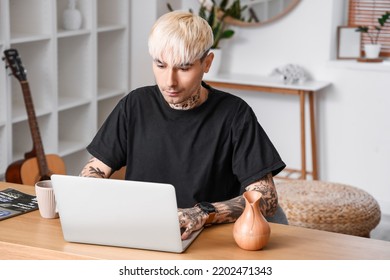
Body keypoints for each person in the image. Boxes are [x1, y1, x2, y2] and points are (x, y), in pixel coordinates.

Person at [80, 10, 287, 240]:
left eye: (184, 68)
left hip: (214, 237)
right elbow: (93, 171)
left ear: (207, 63)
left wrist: (203, 213)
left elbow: (267, 198)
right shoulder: (135, 105)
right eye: (160, 65)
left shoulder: (235, 114)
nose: (170, 81)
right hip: (144, 233)